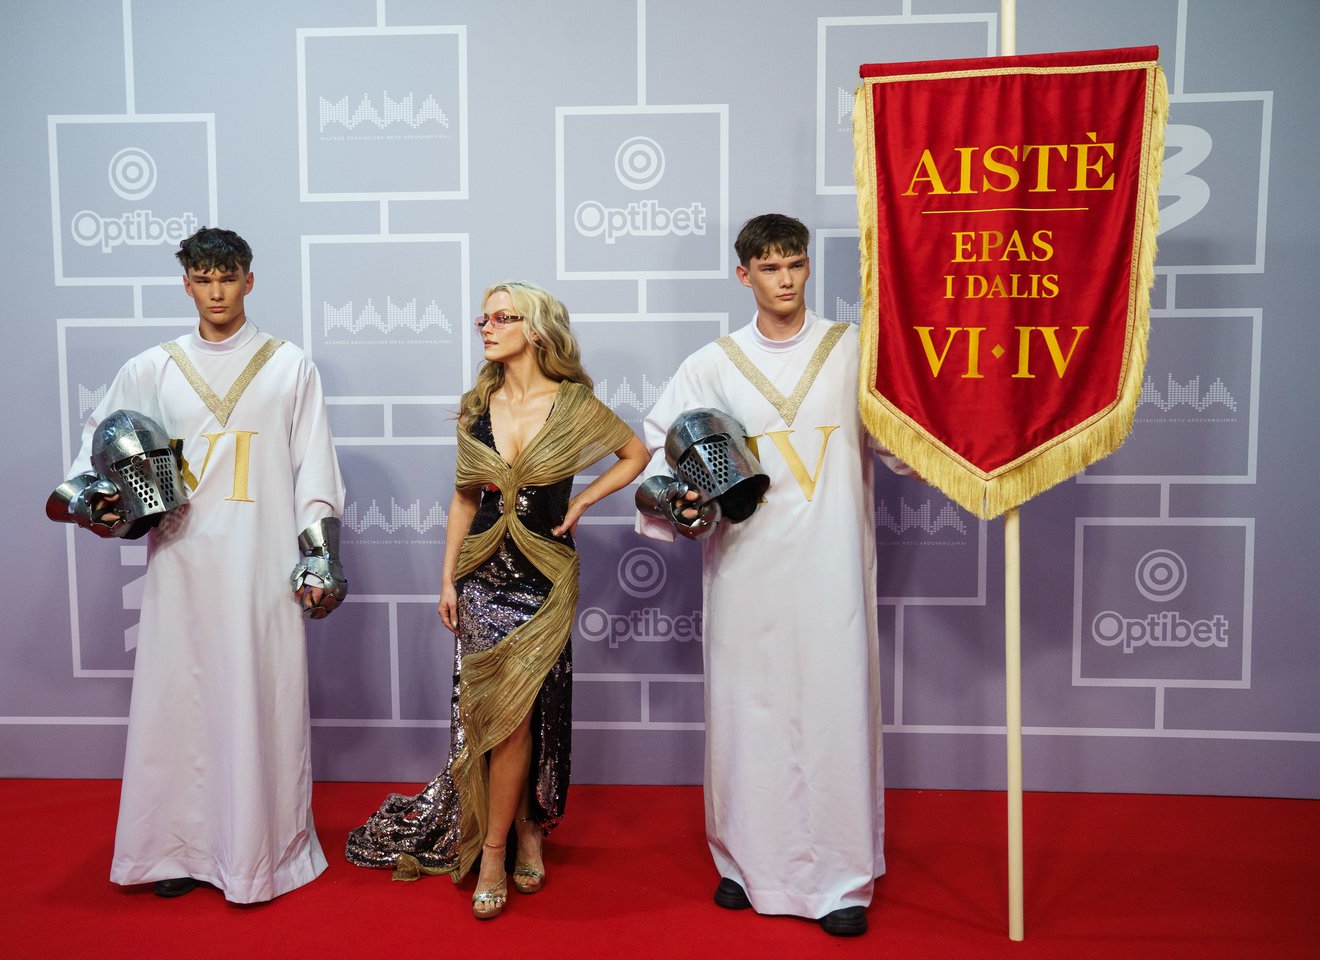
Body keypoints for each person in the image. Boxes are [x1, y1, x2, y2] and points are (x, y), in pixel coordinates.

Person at [47, 227, 347, 903]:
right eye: (204, 280)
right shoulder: (151, 368)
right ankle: (176, 850)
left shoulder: (289, 366)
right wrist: (97, 503)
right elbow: (93, 464)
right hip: (180, 561)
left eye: (228, 277)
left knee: (261, 701)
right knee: (178, 707)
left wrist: (320, 555)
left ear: (249, 280)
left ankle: (262, 855)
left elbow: (315, 470)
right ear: (186, 284)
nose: (217, 292)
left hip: (263, 563)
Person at [634, 214, 909, 938]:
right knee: (745, 715)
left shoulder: (855, 350)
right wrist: (675, 498)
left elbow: (903, 445)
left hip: (832, 569)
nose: (785, 280)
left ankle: (842, 878)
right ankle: (742, 863)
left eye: (795, 264)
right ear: (744, 275)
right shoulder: (712, 364)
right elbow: (661, 462)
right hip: (743, 570)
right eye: (769, 267)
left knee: (834, 712)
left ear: (808, 266)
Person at [346, 280, 647, 920]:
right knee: (500, 718)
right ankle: (500, 844)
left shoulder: (573, 404)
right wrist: (447, 579)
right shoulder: (476, 406)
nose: (486, 327)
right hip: (483, 576)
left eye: (501, 317)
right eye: (483, 318)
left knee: (533, 710)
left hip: (545, 578)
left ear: (534, 329)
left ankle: (518, 836)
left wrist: (584, 501)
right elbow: (464, 498)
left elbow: (635, 454)